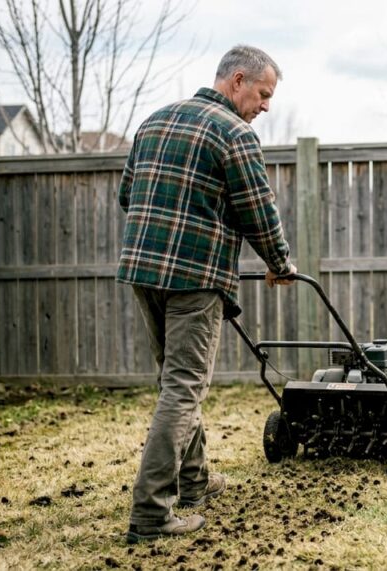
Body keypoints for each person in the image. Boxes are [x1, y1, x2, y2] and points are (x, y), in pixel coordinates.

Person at [117, 45, 296, 544]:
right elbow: (258, 211)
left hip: (142, 271)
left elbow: (127, 196)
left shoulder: (154, 121)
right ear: (237, 80)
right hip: (194, 278)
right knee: (183, 389)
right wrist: (280, 265)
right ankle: (152, 513)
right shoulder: (234, 134)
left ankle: (195, 482)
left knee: (174, 384)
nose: (265, 106)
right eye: (262, 94)